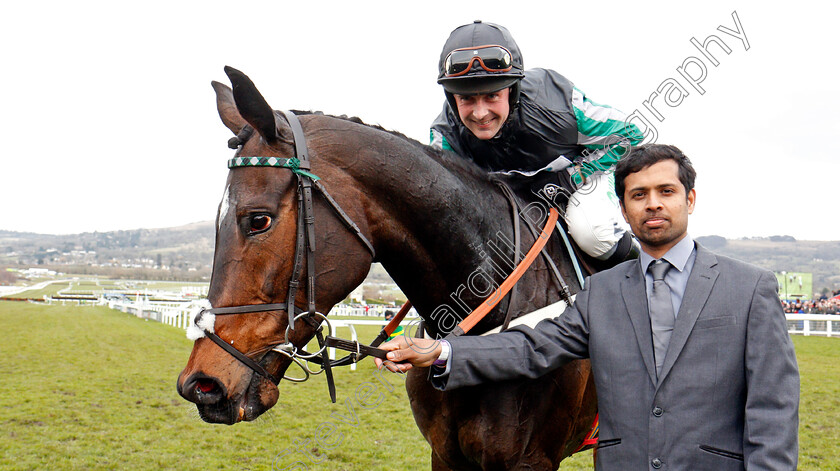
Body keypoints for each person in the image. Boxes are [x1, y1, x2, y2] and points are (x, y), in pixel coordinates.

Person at [378, 144, 800, 470]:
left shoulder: (750, 288)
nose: (652, 203)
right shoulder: (601, 291)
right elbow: (530, 348)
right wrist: (441, 352)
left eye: (665, 191)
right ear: (623, 210)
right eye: (639, 194)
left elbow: (773, 407)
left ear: (690, 200)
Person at [430, 20, 644, 266]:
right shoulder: (445, 137)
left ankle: (642, 275)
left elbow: (631, 134)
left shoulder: (556, 104)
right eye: (466, 99)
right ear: (451, 97)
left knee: (593, 232)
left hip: (579, 182)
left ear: (512, 89)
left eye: (492, 96)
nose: (480, 114)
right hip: (508, 197)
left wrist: (574, 177)